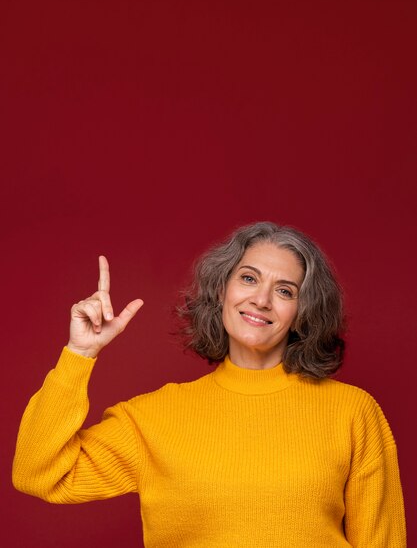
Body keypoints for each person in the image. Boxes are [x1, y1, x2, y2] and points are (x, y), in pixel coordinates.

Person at [13, 222, 406, 547]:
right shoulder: (153, 418)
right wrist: (78, 354)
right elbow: (38, 473)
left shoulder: (353, 412)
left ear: (303, 313)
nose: (262, 299)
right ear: (221, 292)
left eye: (285, 290)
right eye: (248, 278)